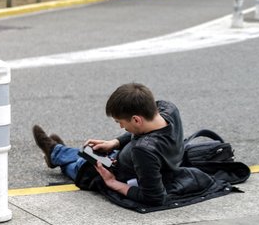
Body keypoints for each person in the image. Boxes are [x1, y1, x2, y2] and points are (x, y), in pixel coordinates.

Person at [31, 83, 217, 208]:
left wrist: (113, 183)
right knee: (91, 152)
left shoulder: (144, 151)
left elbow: (154, 197)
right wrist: (116, 142)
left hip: (115, 172)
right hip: (122, 158)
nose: (120, 126)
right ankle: (57, 152)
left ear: (136, 119)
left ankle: (55, 152)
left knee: (81, 167)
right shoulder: (167, 109)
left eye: (120, 122)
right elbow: (141, 132)